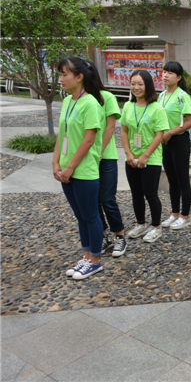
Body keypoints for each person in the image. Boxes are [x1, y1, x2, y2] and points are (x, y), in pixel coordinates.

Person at [54, 57, 105, 279]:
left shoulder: (90, 103)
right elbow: (62, 135)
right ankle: (86, 257)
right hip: (66, 170)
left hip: (83, 171)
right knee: (81, 216)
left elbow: (88, 140)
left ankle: (94, 261)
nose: (61, 79)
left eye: (65, 74)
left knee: (91, 216)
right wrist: (56, 162)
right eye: (60, 74)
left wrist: (71, 167)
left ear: (79, 77)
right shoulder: (67, 101)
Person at [85, 62, 128, 258]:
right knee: (93, 201)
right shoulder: (80, 100)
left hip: (106, 156)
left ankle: (119, 236)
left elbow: (111, 127)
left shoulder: (107, 97)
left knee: (107, 199)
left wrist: (98, 151)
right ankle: (103, 236)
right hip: (87, 159)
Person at [121, 70, 169, 243]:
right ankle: (140, 223)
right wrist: (128, 153)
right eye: (133, 83)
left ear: (148, 85)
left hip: (151, 158)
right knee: (136, 194)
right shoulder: (128, 106)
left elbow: (159, 135)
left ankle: (156, 227)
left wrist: (145, 155)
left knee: (150, 194)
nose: (136, 87)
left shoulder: (157, 108)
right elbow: (124, 131)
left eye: (140, 84)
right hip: (131, 157)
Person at [159, 61, 191, 231]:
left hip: (179, 141)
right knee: (171, 180)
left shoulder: (182, 96)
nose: (166, 75)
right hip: (165, 142)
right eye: (164, 72)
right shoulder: (161, 95)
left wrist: (171, 133)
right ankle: (174, 214)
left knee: (182, 180)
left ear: (179, 77)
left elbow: (190, 121)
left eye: (170, 73)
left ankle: (185, 216)